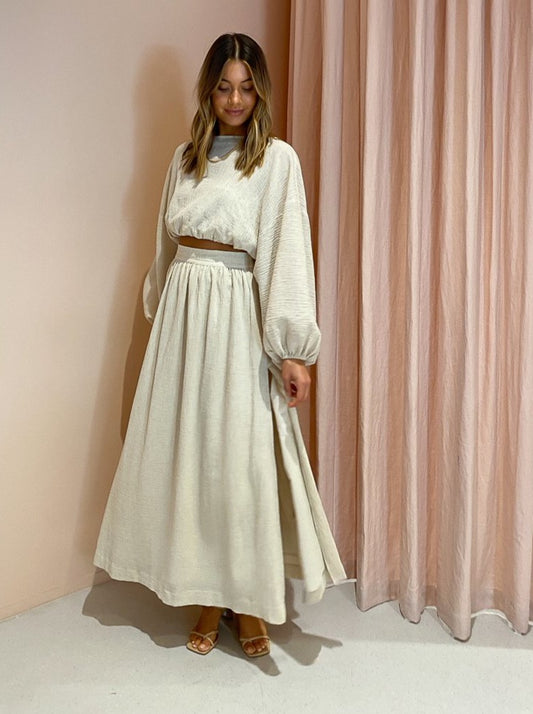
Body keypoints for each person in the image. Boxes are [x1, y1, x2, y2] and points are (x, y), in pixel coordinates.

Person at [94, 32, 345, 658]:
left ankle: (248, 600)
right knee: (195, 458)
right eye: (224, 87)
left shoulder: (277, 160)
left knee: (239, 461)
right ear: (209, 91)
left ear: (260, 92)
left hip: (238, 317)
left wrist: (291, 348)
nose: (235, 99)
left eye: (247, 88)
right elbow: (165, 244)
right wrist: (162, 314)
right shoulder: (185, 158)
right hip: (185, 318)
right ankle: (207, 595)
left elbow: (287, 251)